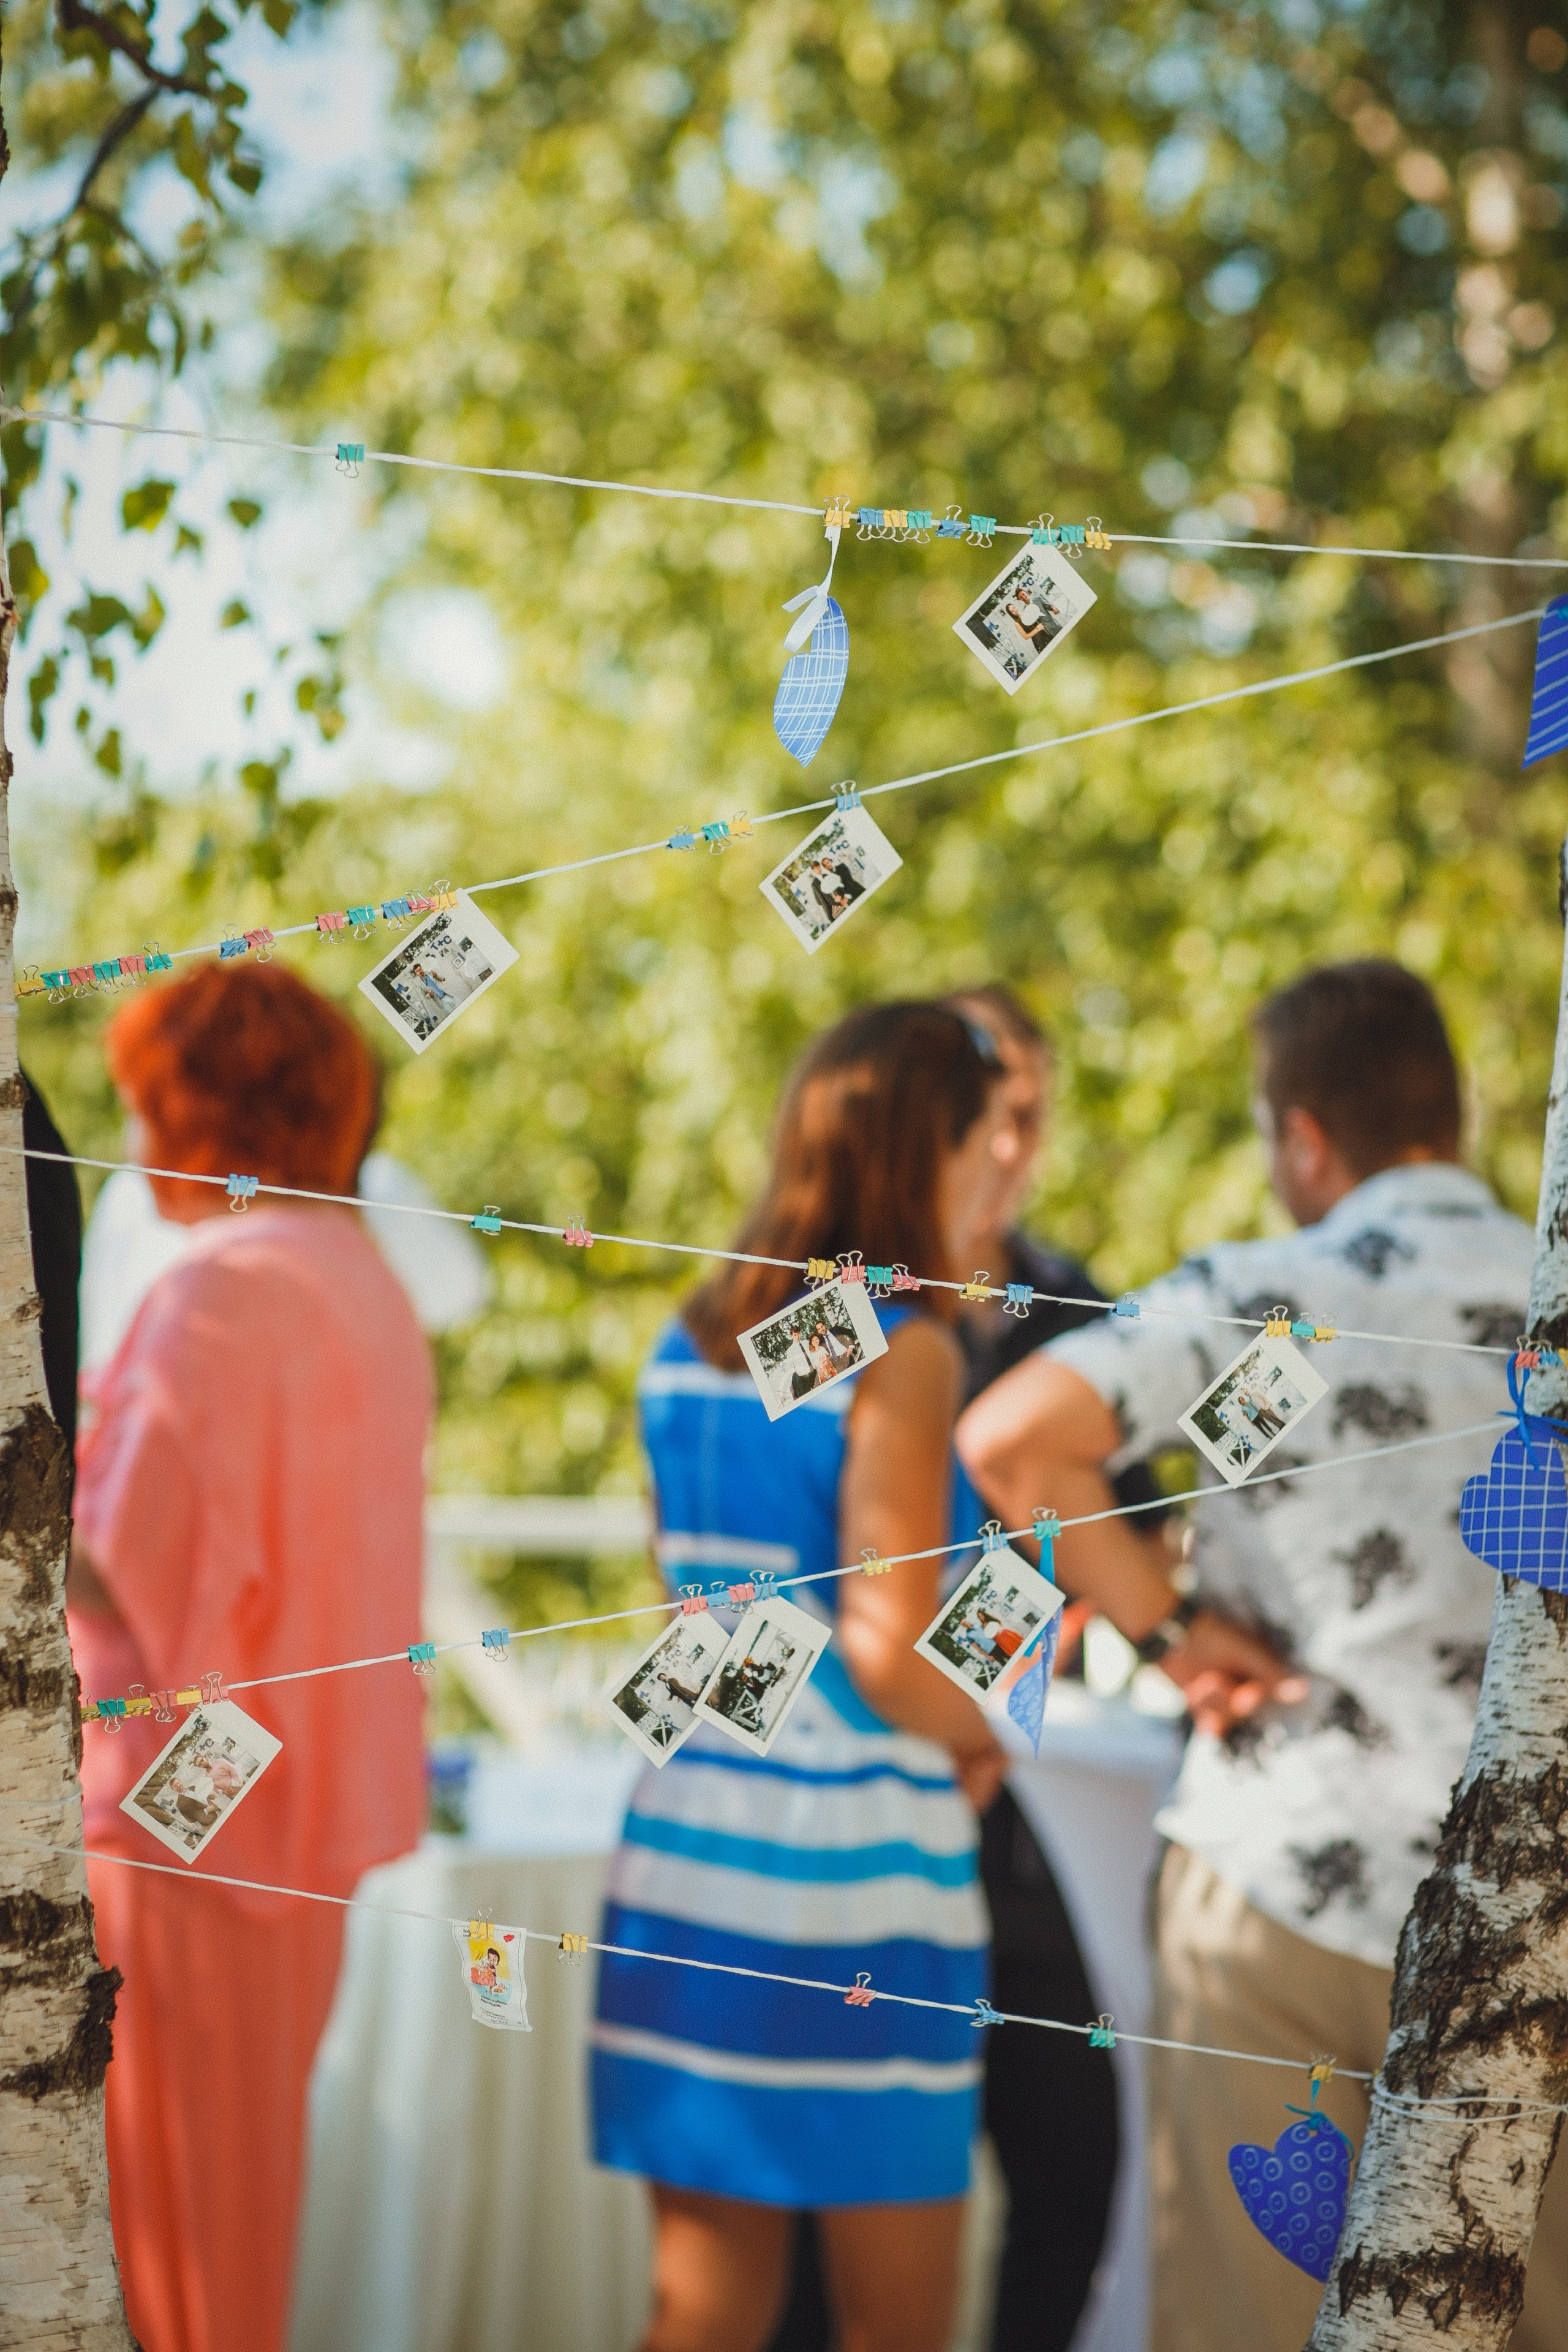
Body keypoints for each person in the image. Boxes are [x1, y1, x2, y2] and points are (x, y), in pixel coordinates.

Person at [957, 959, 1568, 2352]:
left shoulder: (1257, 1288)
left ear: (1300, 1135)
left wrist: (1169, 1636)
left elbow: (1009, 1440)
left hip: (1277, 1880)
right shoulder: (1551, 1291)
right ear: (1448, 1113)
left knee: (1246, 2313)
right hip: (1532, 1896)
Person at [592, 1003, 1014, 2352]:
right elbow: (890, 1651)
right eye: (983, 1137)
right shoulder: (906, 1345)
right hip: (852, 1885)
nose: (998, 1168)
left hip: (686, 1847)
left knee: (703, 2323)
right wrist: (996, 1699)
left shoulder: (692, 1334)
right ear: (927, 1151)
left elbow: (697, 1605)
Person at [66, 961, 434, 2352]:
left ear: (192, 1109)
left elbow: (127, 1559)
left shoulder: (219, 1293)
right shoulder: (359, 1276)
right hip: (303, 1808)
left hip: (186, 1815)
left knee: (167, 2236)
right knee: (237, 2199)